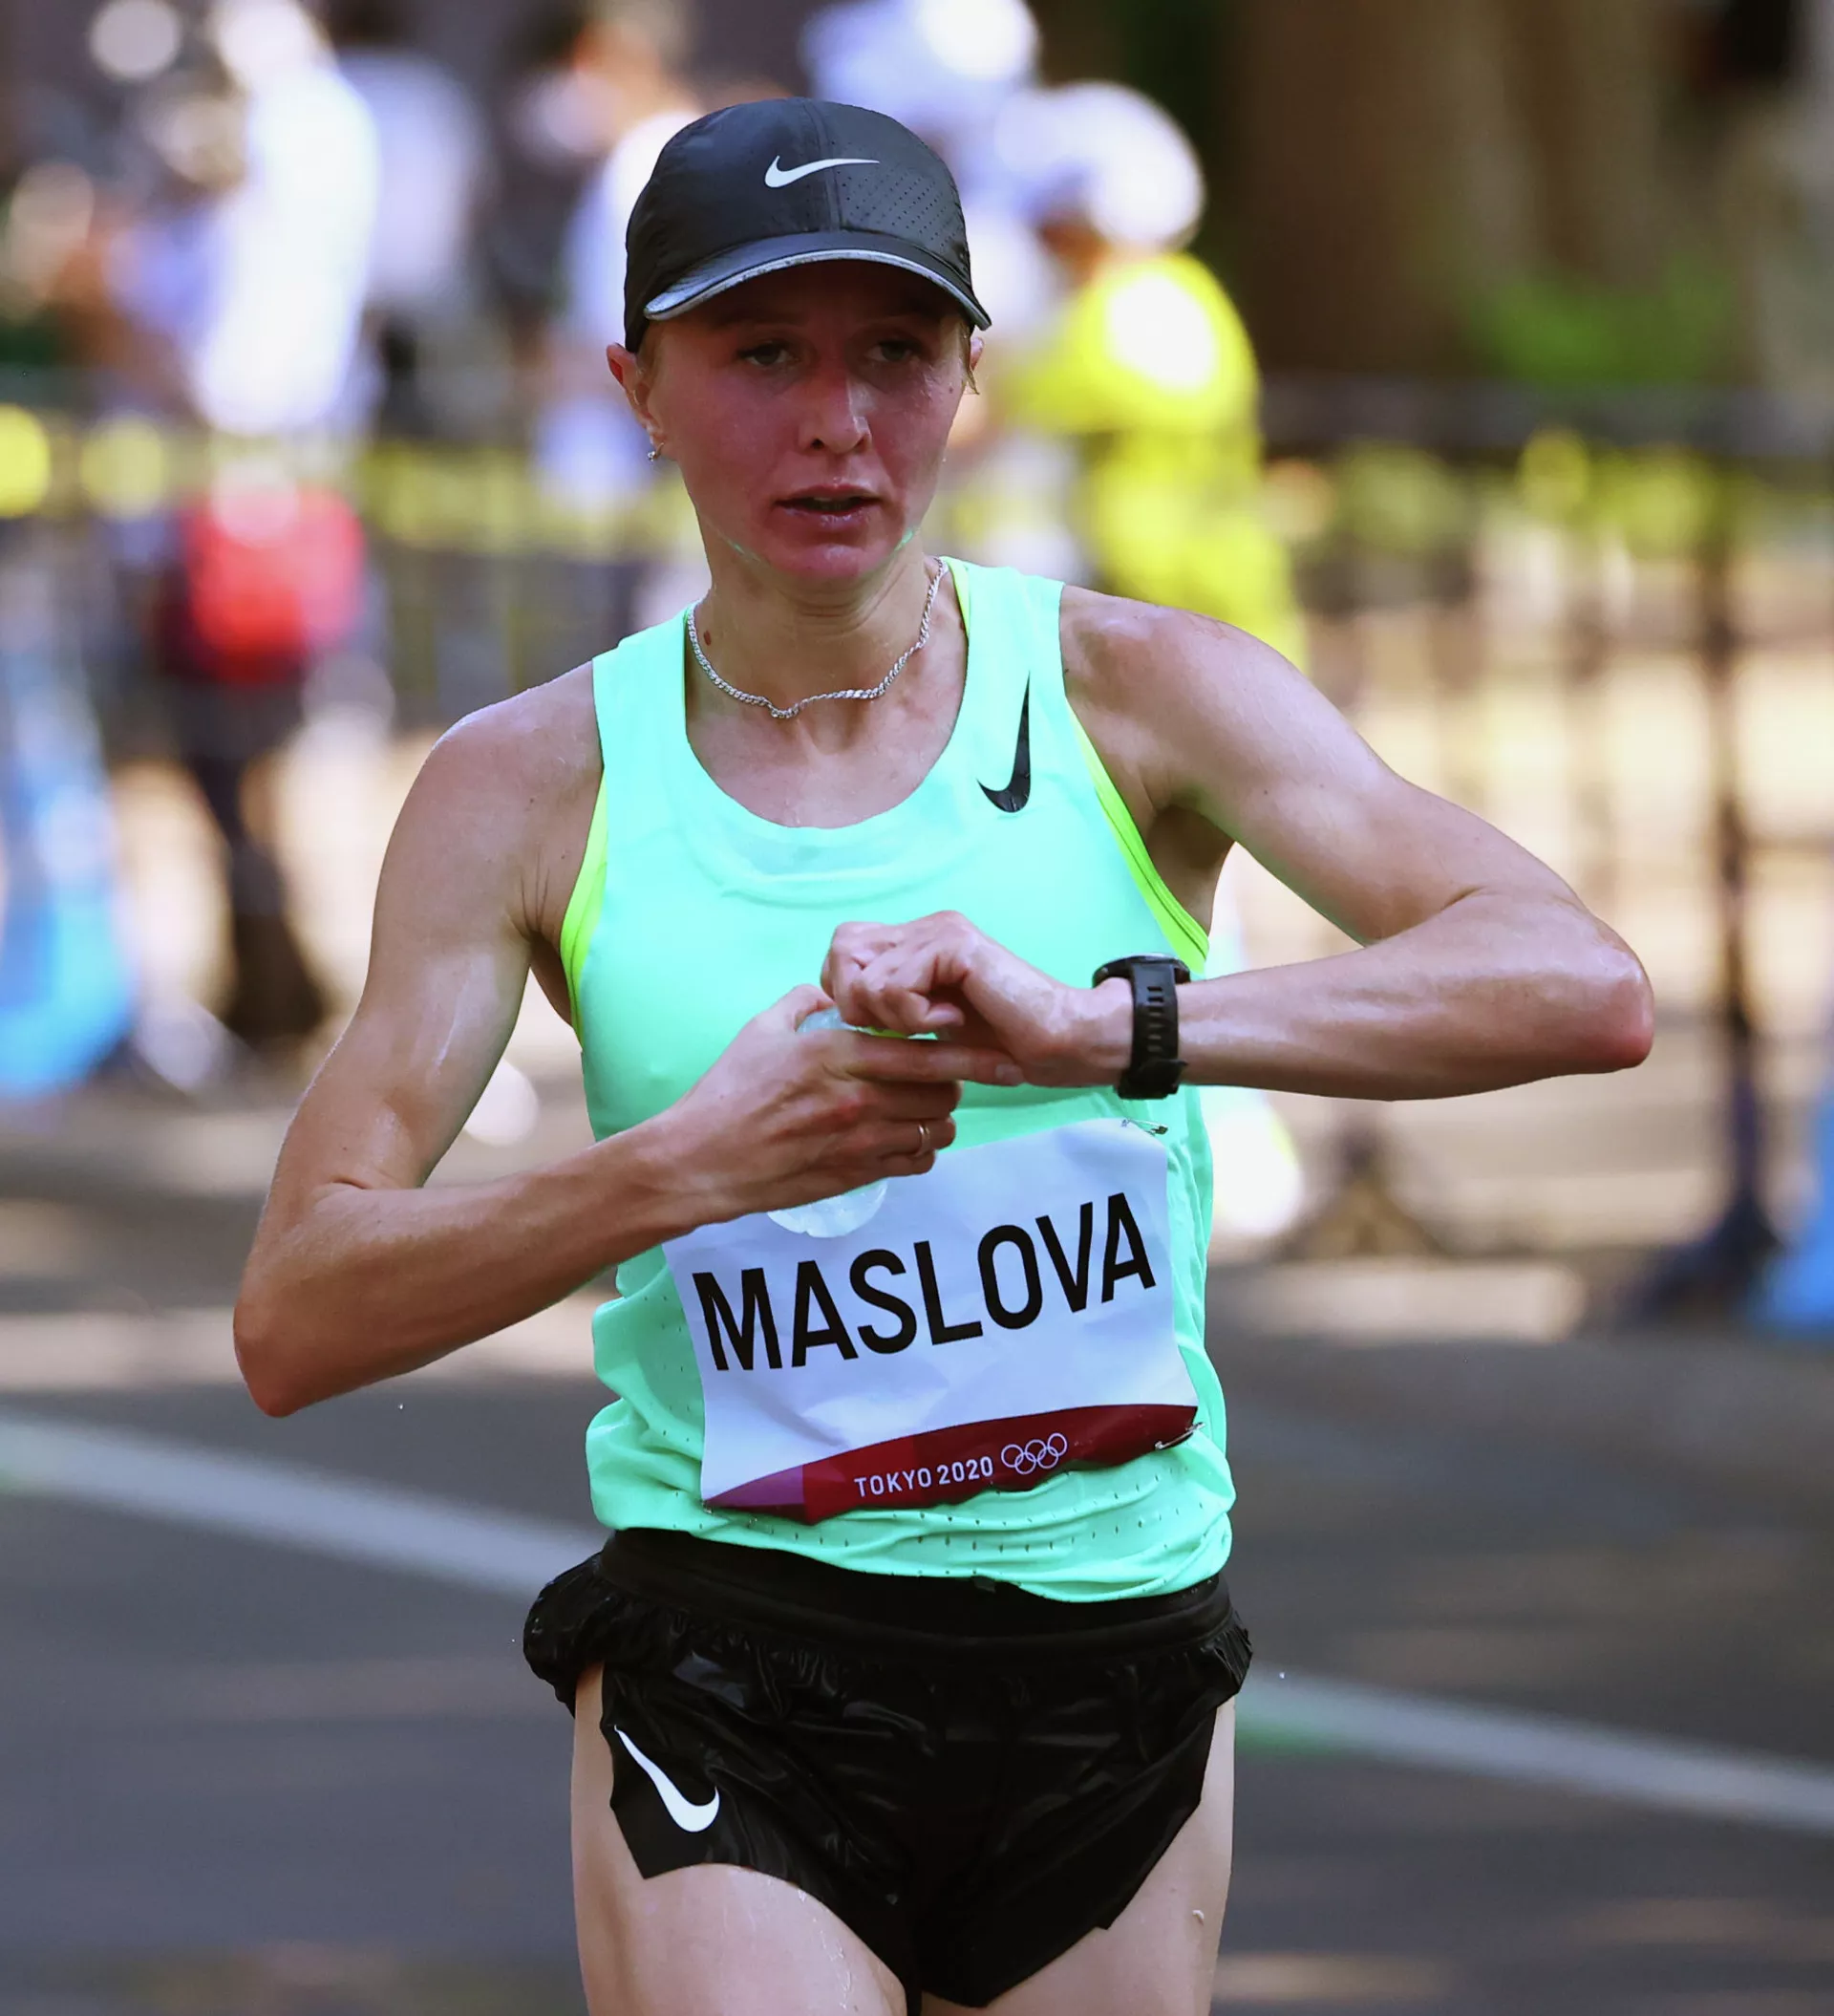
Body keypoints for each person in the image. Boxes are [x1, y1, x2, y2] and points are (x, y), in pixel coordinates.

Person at [233, 98, 1654, 2016]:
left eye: (895, 352)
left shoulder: (1140, 691)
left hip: (1109, 1647)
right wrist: (681, 1166)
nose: (838, 422)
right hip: (736, 1649)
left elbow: (1578, 981)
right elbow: (296, 1313)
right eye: (763, 355)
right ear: (637, 388)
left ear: (971, 378)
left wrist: (1112, 1027)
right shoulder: (529, 786)